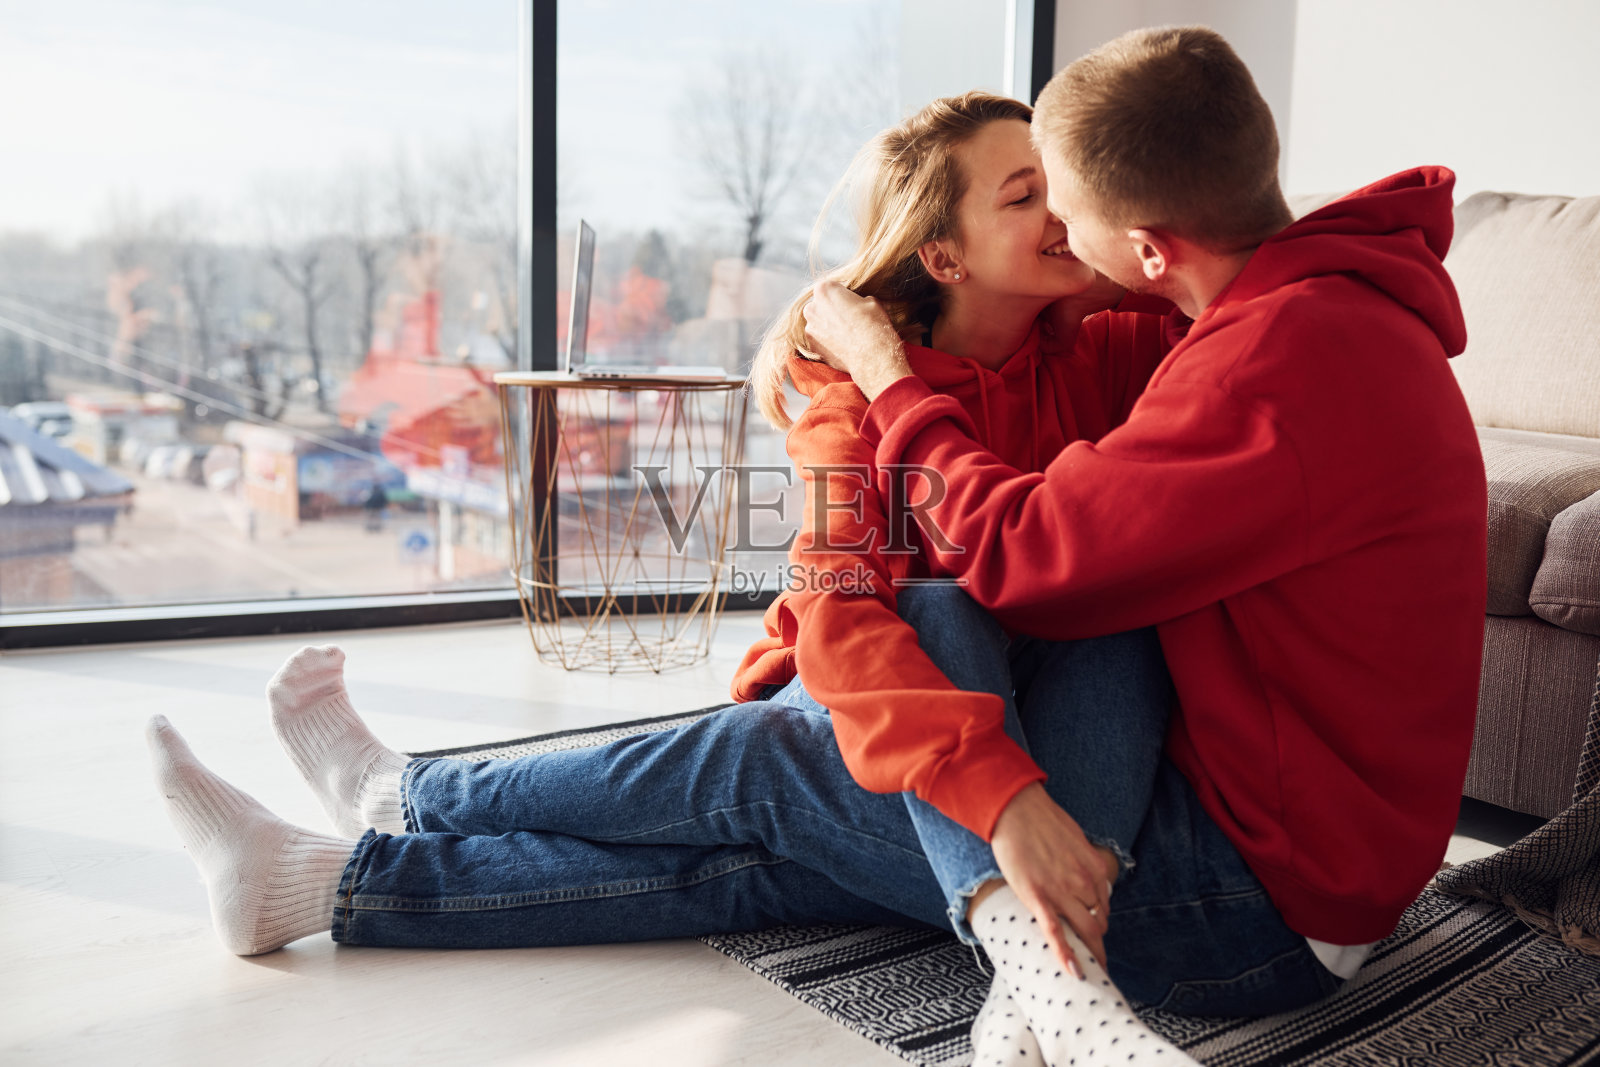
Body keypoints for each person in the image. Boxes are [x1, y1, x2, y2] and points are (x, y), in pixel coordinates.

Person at [146, 90, 1204, 1067]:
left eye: (1060, 187)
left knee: (758, 858)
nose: (1065, 211)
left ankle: (327, 873)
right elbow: (844, 621)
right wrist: (997, 797)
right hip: (864, 697)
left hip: (1007, 720)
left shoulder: (1103, 351)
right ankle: (406, 796)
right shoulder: (852, 404)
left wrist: (1111, 264)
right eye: (1026, 195)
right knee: (879, 660)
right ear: (944, 255)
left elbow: (1208, 287)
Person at [804, 20, 1486, 1050]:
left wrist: (891, 382)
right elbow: (843, 600)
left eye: (1065, 209)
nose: (1058, 232)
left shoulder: (1247, 370)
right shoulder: (1324, 309)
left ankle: (1057, 989)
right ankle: (1036, 997)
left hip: (1258, 900)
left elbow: (1022, 553)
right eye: (1026, 201)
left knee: (770, 784)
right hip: (1328, 854)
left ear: (1148, 248)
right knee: (828, 753)